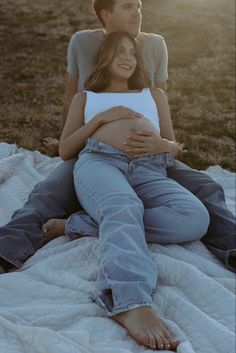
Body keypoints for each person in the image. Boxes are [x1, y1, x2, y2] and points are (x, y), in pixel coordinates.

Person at [0, 0, 235, 274]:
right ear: (105, 14)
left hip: (151, 161)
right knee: (46, 194)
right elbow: (71, 99)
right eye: (127, 6)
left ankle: (231, 245)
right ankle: (7, 249)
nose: (137, 12)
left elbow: (161, 108)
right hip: (95, 158)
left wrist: (164, 145)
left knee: (206, 186)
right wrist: (65, 140)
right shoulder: (84, 44)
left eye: (138, 6)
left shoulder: (154, 46)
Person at [55, 30, 209, 350]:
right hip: (101, 162)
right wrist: (100, 120)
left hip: (150, 167)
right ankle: (131, 302)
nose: (128, 58)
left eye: (132, 53)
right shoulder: (87, 97)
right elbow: (66, 149)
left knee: (195, 217)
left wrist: (163, 144)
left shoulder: (153, 95)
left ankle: (81, 224)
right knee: (124, 203)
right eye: (119, 52)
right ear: (104, 58)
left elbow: (175, 145)